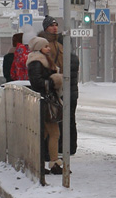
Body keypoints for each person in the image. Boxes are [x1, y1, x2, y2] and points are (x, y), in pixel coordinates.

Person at [39, 16, 79, 155]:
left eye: (56, 25)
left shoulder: (61, 46)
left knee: (67, 119)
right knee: (52, 121)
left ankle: (66, 148)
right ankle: (52, 151)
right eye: (51, 25)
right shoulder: (43, 45)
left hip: (66, 89)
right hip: (52, 89)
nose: (54, 27)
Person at [25, 36, 63, 175]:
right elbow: (37, 82)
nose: (48, 48)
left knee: (45, 134)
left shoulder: (43, 60)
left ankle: (39, 162)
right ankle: (53, 163)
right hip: (44, 101)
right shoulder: (36, 61)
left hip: (46, 100)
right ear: (38, 47)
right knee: (54, 133)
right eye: (45, 46)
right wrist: (53, 81)